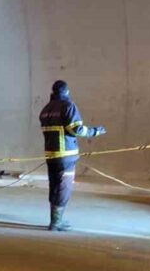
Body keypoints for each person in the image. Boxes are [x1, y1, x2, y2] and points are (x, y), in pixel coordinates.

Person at [39, 80, 106, 231]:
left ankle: (54, 221)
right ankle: (56, 223)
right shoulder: (68, 106)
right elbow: (76, 130)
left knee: (54, 186)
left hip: (51, 155)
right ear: (67, 91)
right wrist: (94, 132)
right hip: (66, 156)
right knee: (64, 188)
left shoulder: (46, 109)